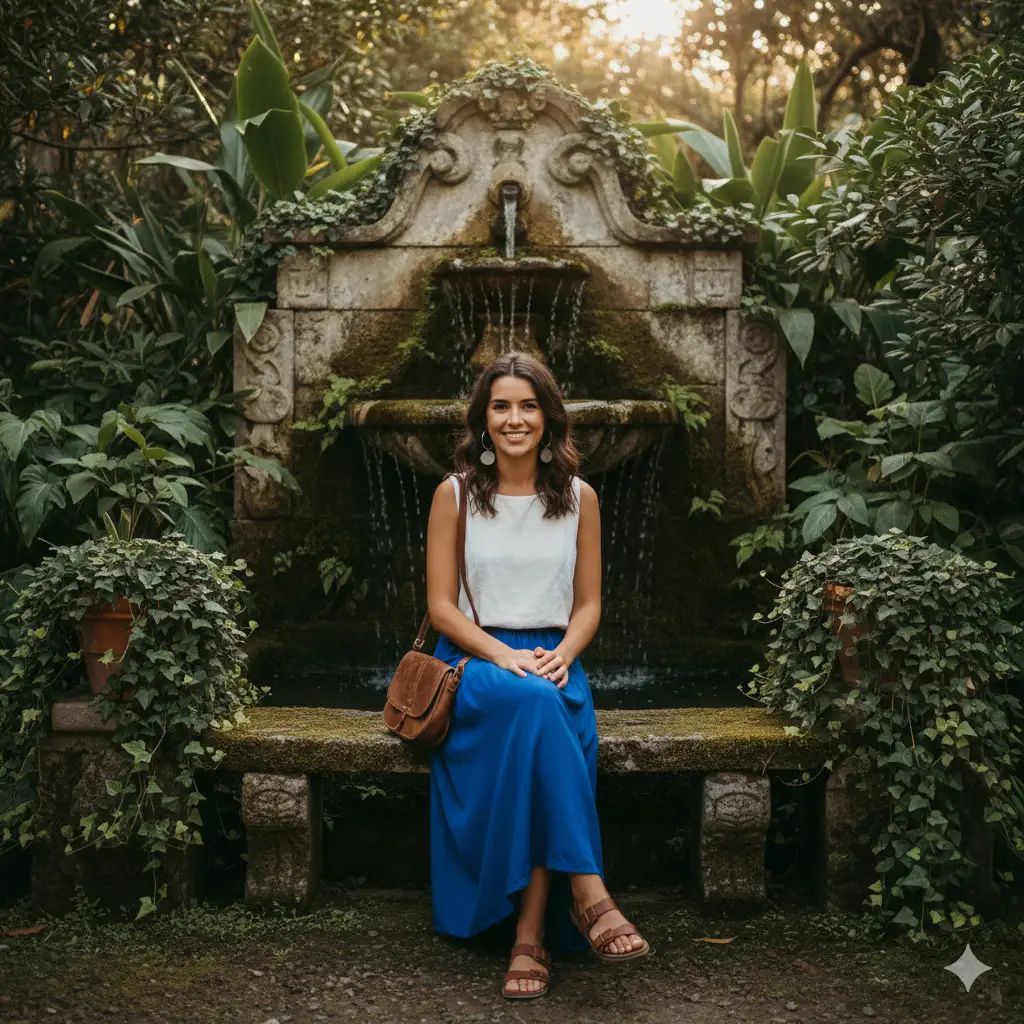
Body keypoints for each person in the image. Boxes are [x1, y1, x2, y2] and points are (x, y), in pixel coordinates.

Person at [425, 351, 650, 1001]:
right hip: (472, 661)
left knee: (545, 706)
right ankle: (587, 890)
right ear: (482, 418)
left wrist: (566, 654)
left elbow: (588, 604)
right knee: (535, 706)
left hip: (554, 660)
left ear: (549, 417)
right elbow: (441, 606)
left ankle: (530, 937)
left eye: (528, 405)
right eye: (500, 406)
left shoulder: (581, 499)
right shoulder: (455, 494)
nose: (514, 418)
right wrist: (502, 655)